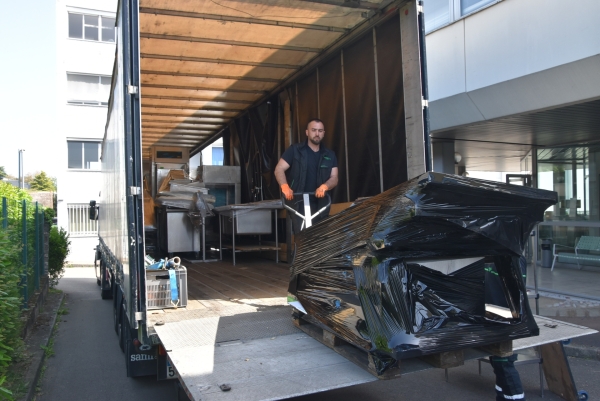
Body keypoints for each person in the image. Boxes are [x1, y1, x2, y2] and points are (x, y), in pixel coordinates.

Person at [274, 118, 338, 232]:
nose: (317, 134)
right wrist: (285, 186)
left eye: (320, 130)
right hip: (298, 202)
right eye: (313, 130)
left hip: (321, 204)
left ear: (323, 133)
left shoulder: (330, 155)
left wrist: (325, 186)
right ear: (307, 132)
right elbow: (279, 169)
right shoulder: (295, 150)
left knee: (320, 236)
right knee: (300, 235)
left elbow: (334, 177)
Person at [487, 255, 528, 401]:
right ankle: (502, 396)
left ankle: (514, 397)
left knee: (504, 362)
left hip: (502, 319)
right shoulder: (513, 256)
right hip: (502, 317)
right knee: (499, 361)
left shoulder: (498, 258)